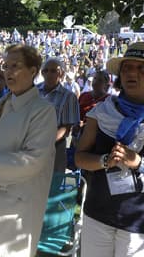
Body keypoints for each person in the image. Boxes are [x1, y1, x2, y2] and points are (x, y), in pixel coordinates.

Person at [0, 44, 57, 256]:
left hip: (16, 208)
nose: (8, 72)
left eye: (15, 66)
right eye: (6, 66)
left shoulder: (43, 111)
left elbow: (33, 160)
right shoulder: (1, 104)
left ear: (33, 71)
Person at [75, 42, 144, 257]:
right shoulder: (101, 112)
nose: (132, 73)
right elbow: (79, 158)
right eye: (127, 68)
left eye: (141, 68)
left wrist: (138, 163)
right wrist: (104, 161)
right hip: (98, 213)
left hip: (137, 221)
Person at [38, 58, 80, 173]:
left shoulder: (69, 97)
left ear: (61, 73)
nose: (49, 74)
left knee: (52, 185)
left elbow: (67, 127)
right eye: (45, 71)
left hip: (55, 146)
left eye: (53, 71)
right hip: (31, 143)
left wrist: (47, 141)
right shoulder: (33, 92)